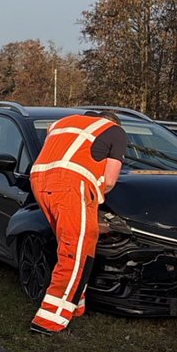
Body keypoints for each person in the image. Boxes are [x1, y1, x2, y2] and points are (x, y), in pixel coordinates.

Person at [28, 110, 127, 335]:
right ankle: (49, 321)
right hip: (71, 184)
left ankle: (75, 304)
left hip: (40, 180)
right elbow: (110, 179)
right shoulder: (115, 131)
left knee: (81, 240)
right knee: (75, 251)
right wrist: (97, 195)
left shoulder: (66, 123)